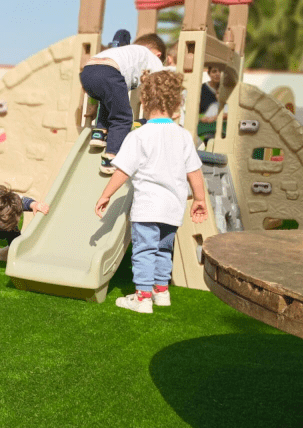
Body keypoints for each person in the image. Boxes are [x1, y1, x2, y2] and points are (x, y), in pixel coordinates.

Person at [94, 70, 208, 314]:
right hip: (173, 208)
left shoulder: (140, 135)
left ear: (143, 103)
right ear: (177, 105)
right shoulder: (184, 137)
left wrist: (106, 195)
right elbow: (195, 172)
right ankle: (161, 291)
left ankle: (143, 296)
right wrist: (199, 199)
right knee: (164, 249)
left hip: (148, 207)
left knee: (144, 250)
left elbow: (122, 170)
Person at [80, 33, 168, 175]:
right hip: (109, 72)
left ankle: (99, 133)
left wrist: (92, 105)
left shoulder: (125, 52)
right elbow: (156, 86)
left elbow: (102, 82)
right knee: (123, 117)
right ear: (158, 54)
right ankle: (111, 157)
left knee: (109, 99)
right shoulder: (153, 59)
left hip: (87, 72)